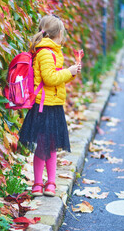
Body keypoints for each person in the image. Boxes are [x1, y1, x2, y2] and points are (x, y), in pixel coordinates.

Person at [19, 15, 81, 197]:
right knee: (42, 147)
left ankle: (50, 182)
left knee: (50, 146)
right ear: (59, 33)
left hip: (52, 104)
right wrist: (67, 71)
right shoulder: (46, 52)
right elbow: (50, 78)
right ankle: (39, 183)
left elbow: (56, 80)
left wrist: (71, 73)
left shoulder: (50, 51)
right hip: (44, 107)